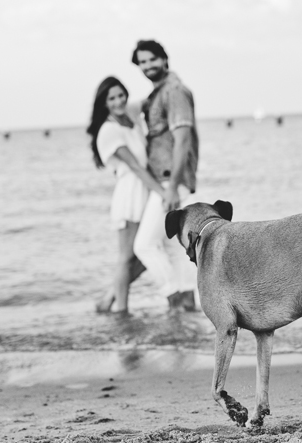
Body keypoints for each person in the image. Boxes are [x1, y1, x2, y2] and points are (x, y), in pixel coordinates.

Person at [130, 39, 200, 312]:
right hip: (166, 181)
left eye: (151, 59)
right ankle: (186, 306)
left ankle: (172, 299)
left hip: (170, 181)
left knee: (145, 245)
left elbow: (182, 141)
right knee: (173, 248)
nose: (148, 66)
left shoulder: (174, 91)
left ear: (164, 59)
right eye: (142, 62)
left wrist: (172, 187)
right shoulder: (157, 94)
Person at [87, 76, 166, 314]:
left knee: (146, 251)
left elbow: (152, 100)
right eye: (112, 98)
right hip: (131, 193)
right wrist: (162, 191)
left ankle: (109, 297)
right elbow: (135, 166)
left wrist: (167, 82)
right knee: (126, 257)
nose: (118, 101)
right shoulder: (109, 130)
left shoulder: (129, 115)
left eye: (121, 95)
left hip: (144, 189)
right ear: (104, 103)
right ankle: (121, 310)